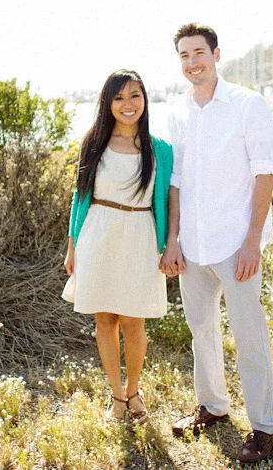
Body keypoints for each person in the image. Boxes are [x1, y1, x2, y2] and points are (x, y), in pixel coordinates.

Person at [160, 23, 273, 463]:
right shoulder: (176, 112)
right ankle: (212, 406)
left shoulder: (248, 105)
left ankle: (265, 425)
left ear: (215, 53)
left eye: (199, 52)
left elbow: (264, 172)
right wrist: (172, 240)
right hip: (192, 246)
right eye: (184, 56)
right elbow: (175, 183)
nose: (193, 62)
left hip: (236, 244)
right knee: (201, 332)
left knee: (250, 336)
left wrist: (253, 241)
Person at [63, 69, 173, 425]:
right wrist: (72, 246)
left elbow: (171, 201)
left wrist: (169, 243)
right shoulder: (93, 141)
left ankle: (135, 390)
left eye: (135, 96)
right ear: (108, 103)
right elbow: (79, 197)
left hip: (140, 235)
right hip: (98, 232)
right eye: (119, 98)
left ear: (145, 99)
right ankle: (116, 396)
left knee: (133, 320)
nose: (128, 105)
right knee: (105, 319)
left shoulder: (161, 150)